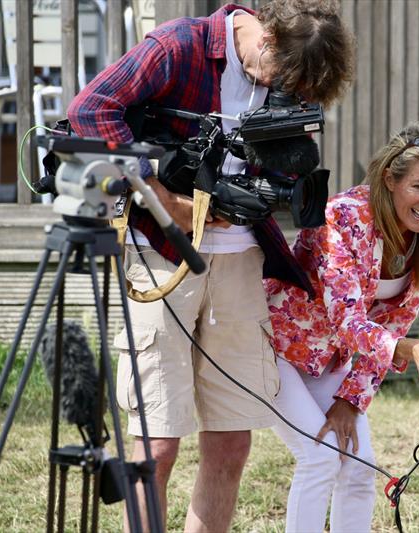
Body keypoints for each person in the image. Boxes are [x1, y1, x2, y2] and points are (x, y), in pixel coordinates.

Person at [66, 2, 354, 531]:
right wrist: (159, 195)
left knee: (231, 442)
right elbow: (91, 109)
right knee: (157, 444)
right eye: (283, 82)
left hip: (242, 259)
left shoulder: (286, 71)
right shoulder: (179, 47)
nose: (282, 92)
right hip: (163, 251)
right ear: (266, 37)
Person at [264, 122, 419, 532]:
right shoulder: (343, 217)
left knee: (359, 465)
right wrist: (411, 349)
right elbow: (349, 321)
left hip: (331, 362)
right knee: (320, 457)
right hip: (274, 348)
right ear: (389, 178)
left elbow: (395, 322)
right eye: (418, 187)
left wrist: (351, 400)